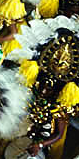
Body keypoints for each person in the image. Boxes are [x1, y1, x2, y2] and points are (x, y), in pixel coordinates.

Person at [15, 16, 79, 159]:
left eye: (48, 88)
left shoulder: (59, 104)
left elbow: (59, 134)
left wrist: (41, 145)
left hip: (41, 145)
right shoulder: (35, 86)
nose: (45, 89)